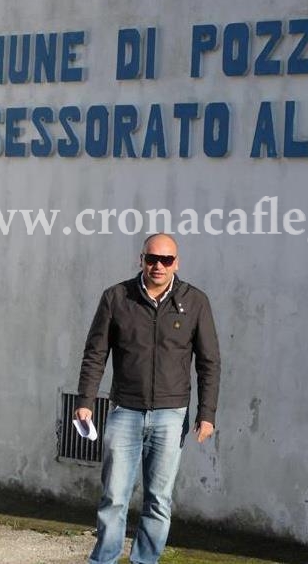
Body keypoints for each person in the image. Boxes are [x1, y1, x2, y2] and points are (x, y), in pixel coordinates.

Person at [75, 233, 221, 564]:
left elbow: (209, 362)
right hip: (125, 410)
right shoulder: (116, 297)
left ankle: (145, 560)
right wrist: (85, 400)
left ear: (176, 263)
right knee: (114, 497)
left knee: (158, 499)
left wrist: (207, 413)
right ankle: (104, 560)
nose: (158, 265)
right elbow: (95, 353)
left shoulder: (195, 302)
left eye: (166, 260)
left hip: (172, 415)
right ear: (141, 259)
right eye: (151, 258)